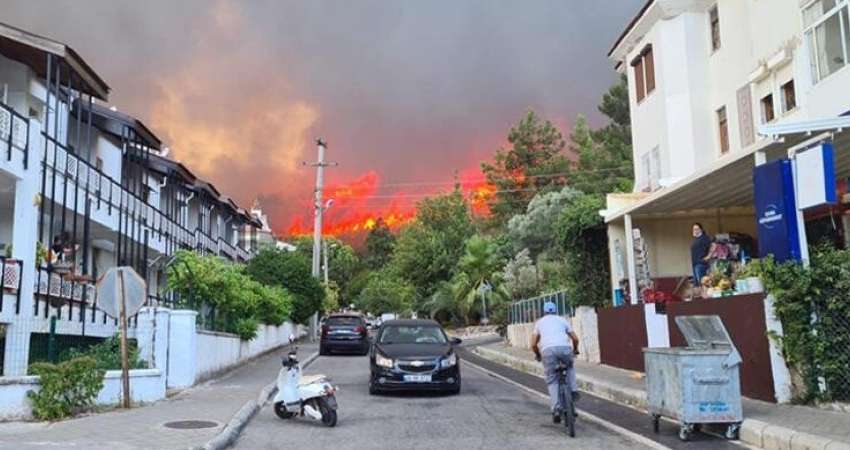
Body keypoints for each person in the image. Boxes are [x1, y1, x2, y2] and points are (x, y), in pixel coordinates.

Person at [531, 301, 580, 424]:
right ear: (555, 310)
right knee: (569, 368)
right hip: (564, 349)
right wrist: (575, 349)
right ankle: (573, 390)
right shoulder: (562, 320)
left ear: (544, 311)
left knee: (552, 379)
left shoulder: (539, 323)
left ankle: (556, 408)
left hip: (548, 351)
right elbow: (575, 338)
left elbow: (533, 344)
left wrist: (538, 355)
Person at [690, 223, 712, 294]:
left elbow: (714, 245)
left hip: (701, 264)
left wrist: (709, 256)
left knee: (703, 283)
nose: (695, 231)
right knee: (697, 284)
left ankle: (706, 298)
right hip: (695, 264)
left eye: (697, 229)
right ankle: (701, 298)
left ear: (701, 229)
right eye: (694, 229)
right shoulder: (696, 239)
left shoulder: (704, 238)